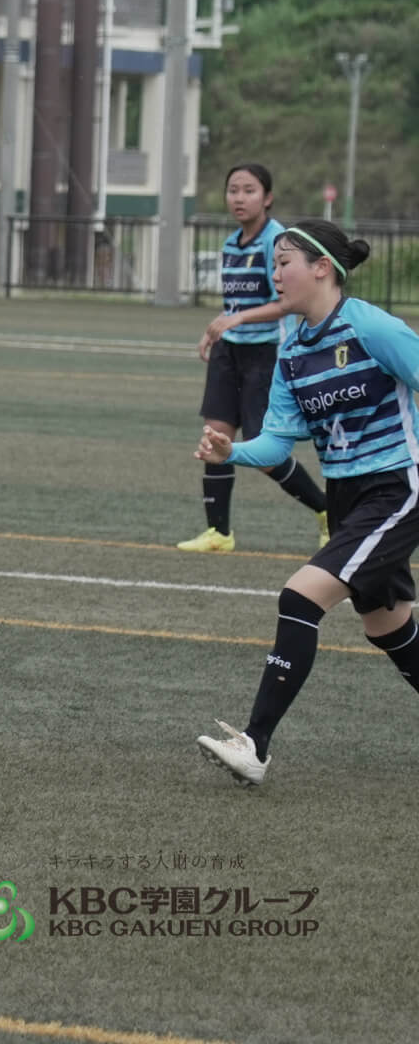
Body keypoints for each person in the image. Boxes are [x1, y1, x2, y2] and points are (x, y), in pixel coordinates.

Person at [194, 219, 419, 786]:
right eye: (272, 263)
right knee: (386, 626)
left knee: (300, 596)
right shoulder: (292, 349)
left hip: (396, 488)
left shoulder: (370, 327)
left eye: (284, 262)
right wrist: (230, 450)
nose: (275, 274)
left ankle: (255, 745)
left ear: (322, 268)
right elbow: (277, 440)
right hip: (346, 496)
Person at [179, 163, 329, 552]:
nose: (239, 198)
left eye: (249, 190)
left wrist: (239, 319)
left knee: (264, 451)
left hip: (265, 353)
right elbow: (235, 305)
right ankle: (219, 533)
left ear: (267, 198)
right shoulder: (231, 244)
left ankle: (325, 510)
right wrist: (216, 329)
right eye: (233, 190)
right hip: (229, 352)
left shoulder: (277, 242)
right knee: (215, 436)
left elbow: (287, 303)